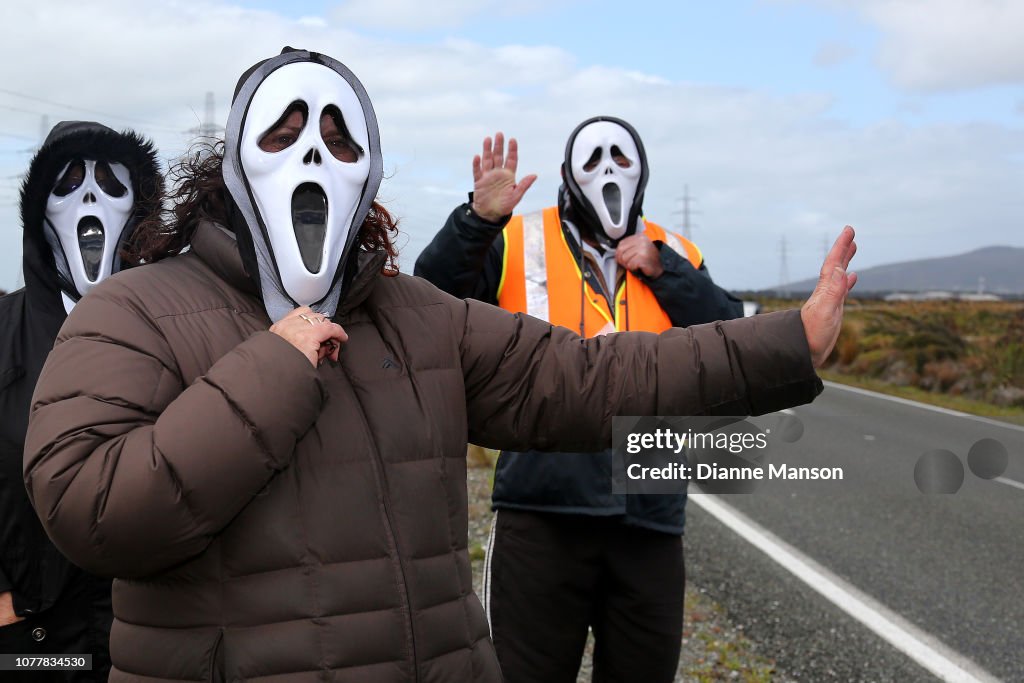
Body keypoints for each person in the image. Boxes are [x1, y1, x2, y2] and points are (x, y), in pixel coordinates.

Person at [23, 48, 856, 683]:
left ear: (370, 173)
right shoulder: (133, 310)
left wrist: (792, 341)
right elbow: (88, 507)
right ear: (234, 164)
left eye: (340, 136)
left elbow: (595, 375)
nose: (313, 155)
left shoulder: (417, 318)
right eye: (283, 132)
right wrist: (270, 372)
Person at [414, 120, 742, 681]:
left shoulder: (677, 250)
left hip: (650, 519)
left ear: (642, 173)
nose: (608, 168)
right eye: (593, 159)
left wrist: (670, 274)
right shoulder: (518, 239)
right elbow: (432, 299)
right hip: (541, 512)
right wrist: (477, 222)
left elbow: (731, 342)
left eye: (621, 155)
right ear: (568, 174)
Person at [0, 121, 164, 680]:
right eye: (68, 181)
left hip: (146, 632)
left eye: (108, 181)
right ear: (37, 210)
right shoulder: (3, 331)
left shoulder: (174, 328)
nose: (90, 195)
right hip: (36, 637)